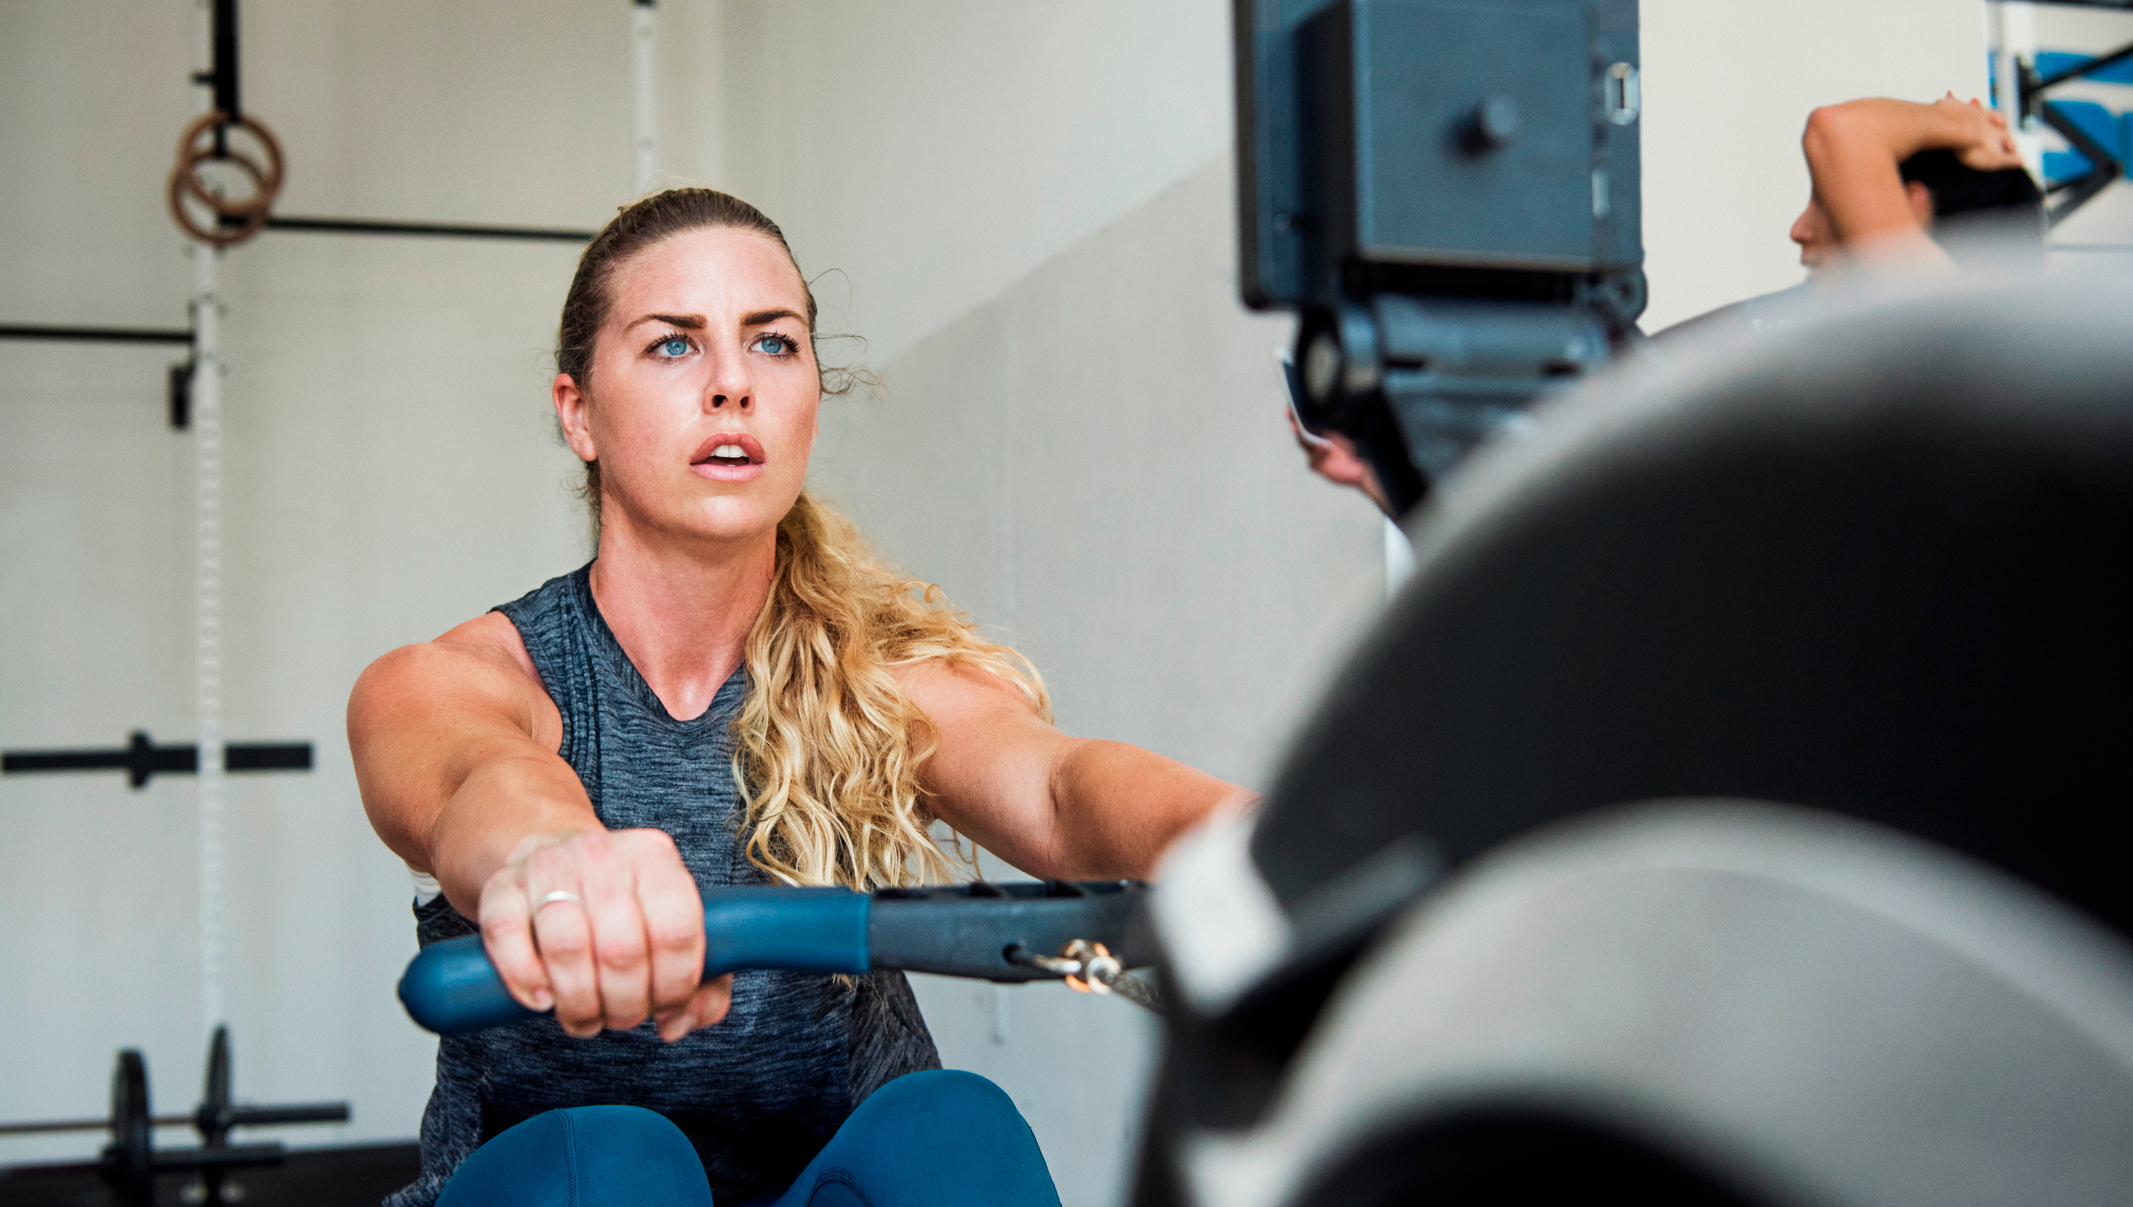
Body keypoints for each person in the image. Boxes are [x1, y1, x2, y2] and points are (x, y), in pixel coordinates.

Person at [347, 188, 1251, 1207]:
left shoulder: (869, 679)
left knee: (954, 1127)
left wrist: (1275, 842)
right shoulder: (465, 678)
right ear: (578, 412)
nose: (733, 383)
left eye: (773, 343)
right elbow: (479, 776)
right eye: (674, 345)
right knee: (609, 1162)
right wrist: (554, 855)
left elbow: (1057, 789)